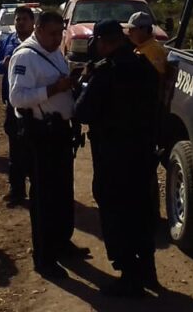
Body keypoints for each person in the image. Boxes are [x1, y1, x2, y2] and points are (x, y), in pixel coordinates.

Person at [75, 19, 161, 297]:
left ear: (101, 41)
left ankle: (129, 275)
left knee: (116, 214)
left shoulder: (104, 72)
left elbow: (82, 113)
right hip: (142, 154)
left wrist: (82, 85)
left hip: (113, 156)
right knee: (141, 212)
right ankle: (147, 270)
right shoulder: (144, 65)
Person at [8, 11, 91, 279]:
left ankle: (61, 242)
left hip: (59, 132)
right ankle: (44, 256)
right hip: (40, 133)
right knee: (44, 197)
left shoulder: (54, 51)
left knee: (62, 192)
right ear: (40, 29)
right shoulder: (25, 56)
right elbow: (17, 98)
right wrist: (53, 90)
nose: (58, 39)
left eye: (60, 33)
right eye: (53, 33)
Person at [0, 5, 35, 207]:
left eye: (24, 19)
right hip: (13, 101)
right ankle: (16, 189)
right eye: (17, 19)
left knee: (33, 146)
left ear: (33, 23)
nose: (20, 22)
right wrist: (3, 64)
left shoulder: (39, 44)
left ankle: (37, 188)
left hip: (35, 103)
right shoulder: (8, 41)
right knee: (15, 147)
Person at [123, 11, 166, 77]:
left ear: (144, 30)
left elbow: (157, 78)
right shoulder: (142, 47)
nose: (129, 32)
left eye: (132, 29)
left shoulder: (153, 50)